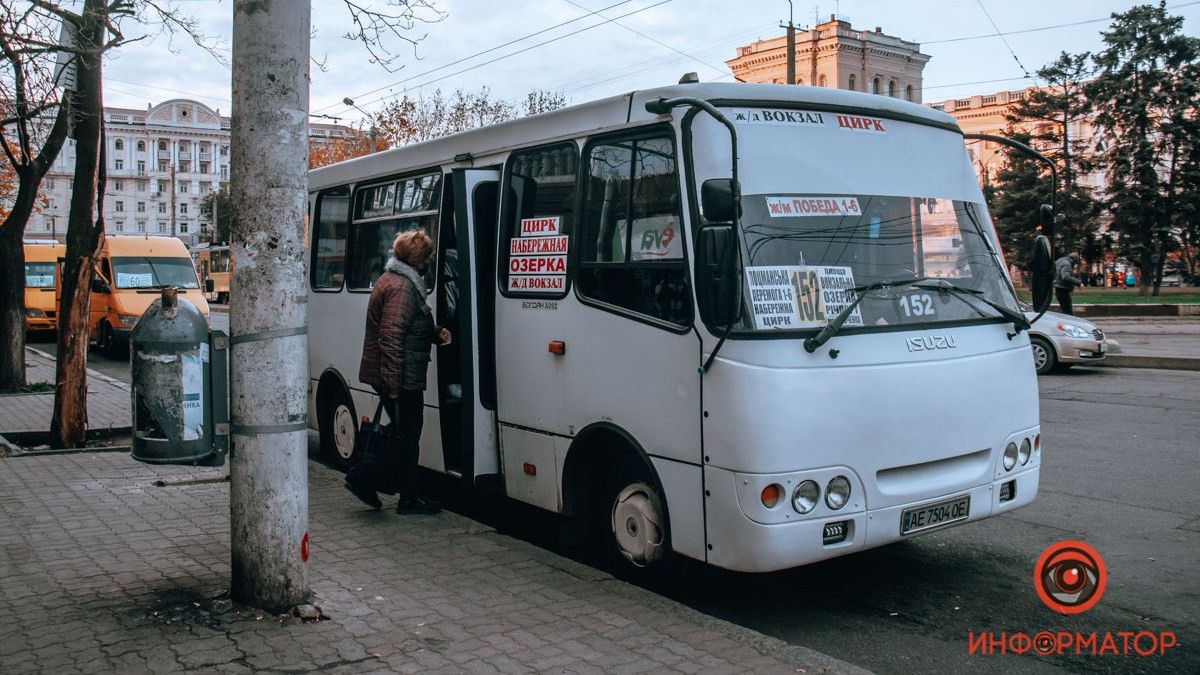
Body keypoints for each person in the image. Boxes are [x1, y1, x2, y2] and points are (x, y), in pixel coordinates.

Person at [346, 229, 451, 514]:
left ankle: (379, 484)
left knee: (401, 434)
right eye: (427, 255)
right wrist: (393, 385)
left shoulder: (396, 280)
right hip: (400, 376)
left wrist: (434, 332)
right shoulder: (403, 287)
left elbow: (405, 327)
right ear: (419, 259)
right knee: (407, 436)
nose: (430, 260)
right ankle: (398, 493)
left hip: (400, 373)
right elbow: (391, 337)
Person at [1053, 252, 1082, 316]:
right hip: (1063, 289)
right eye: (1075, 262)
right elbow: (1066, 277)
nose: (1075, 264)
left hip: (1058, 288)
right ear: (1074, 260)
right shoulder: (1067, 264)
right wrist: (1078, 282)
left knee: (1065, 311)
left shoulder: (1060, 261)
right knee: (1068, 313)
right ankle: (1068, 325)